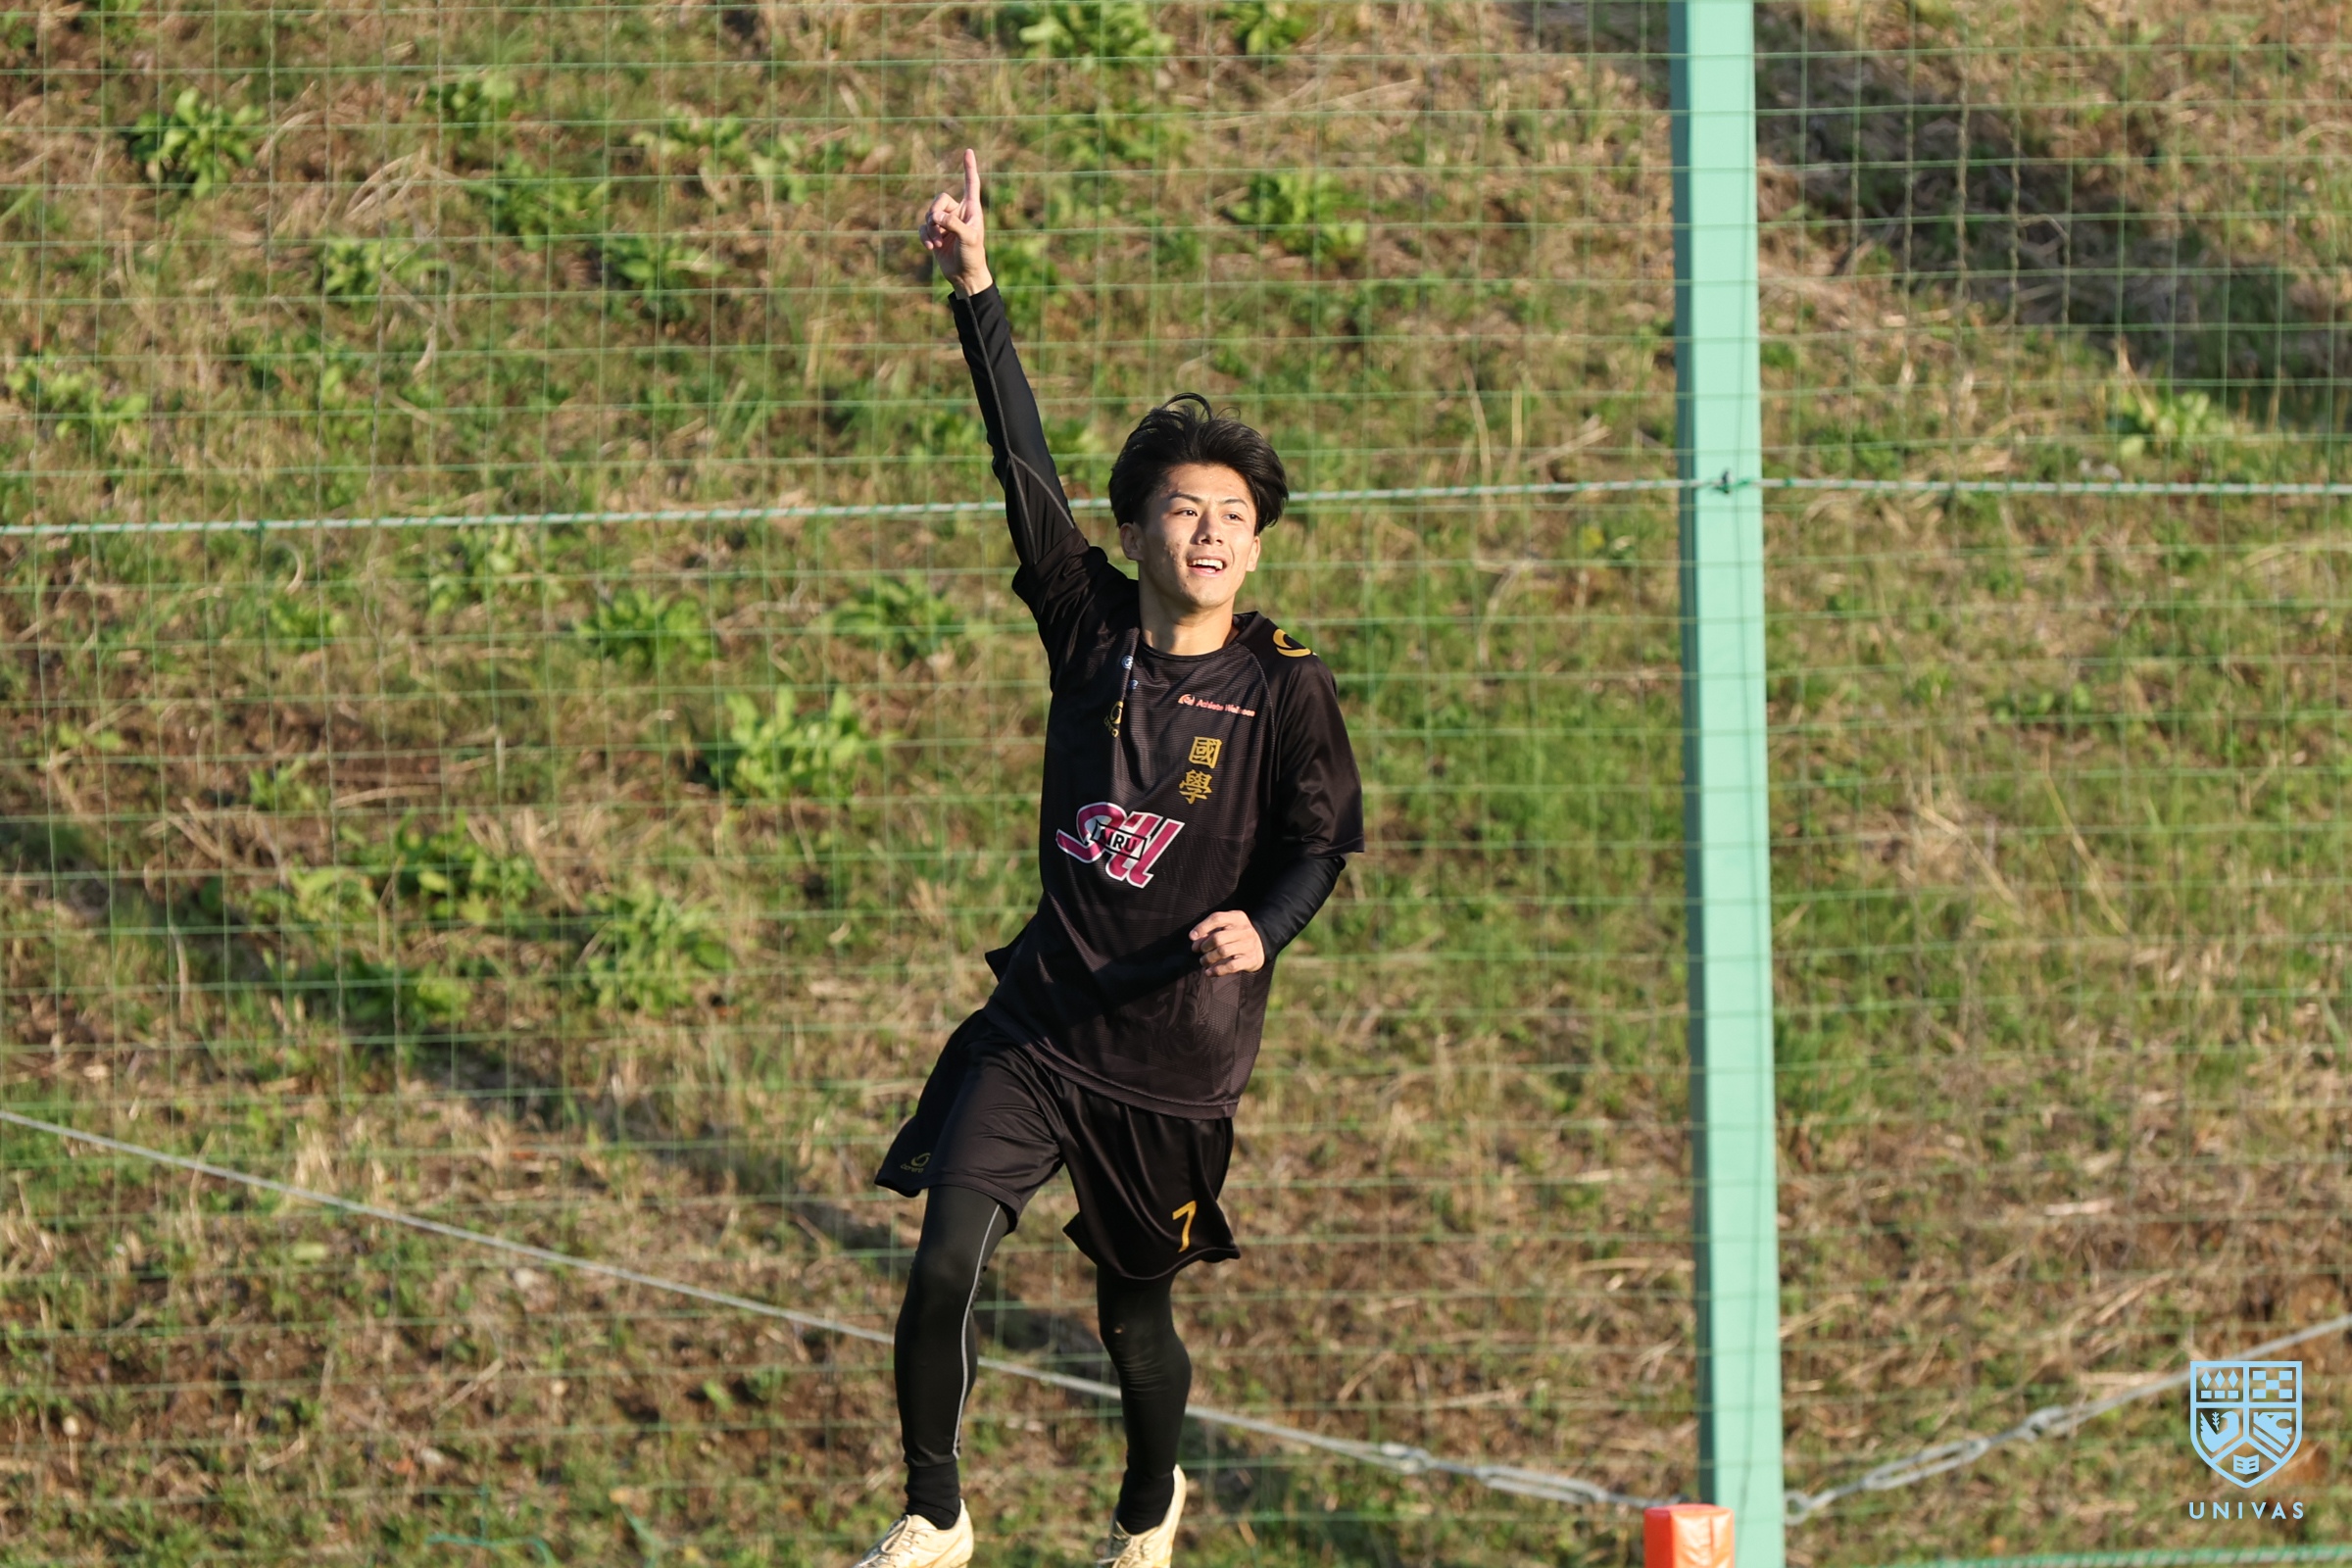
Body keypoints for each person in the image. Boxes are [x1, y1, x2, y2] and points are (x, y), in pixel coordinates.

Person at [848, 150, 1363, 1568]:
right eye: (1187, 509)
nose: (1212, 532)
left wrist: (1266, 926)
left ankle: (1148, 1507)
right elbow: (1020, 463)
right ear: (1138, 531)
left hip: (1172, 1063)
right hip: (1041, 1026)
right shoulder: (1086, 626)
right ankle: (936, 1512)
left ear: (1256, 549)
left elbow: (1322, 840)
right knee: (944, 1259)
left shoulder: (1284, 687)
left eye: (1236, 517)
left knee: (1133, 1319)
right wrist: (975, 286)